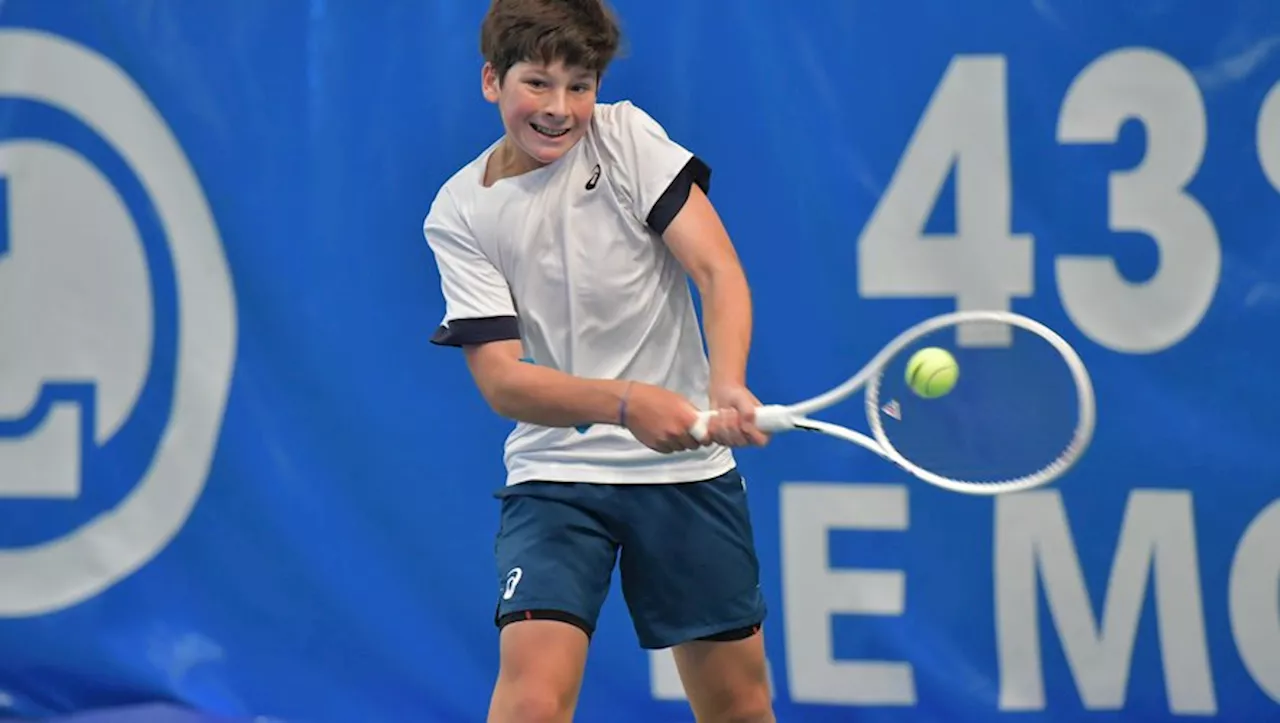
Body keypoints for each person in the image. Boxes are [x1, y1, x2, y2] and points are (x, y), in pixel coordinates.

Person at [423, 1, 776, 721]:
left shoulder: (626, 140)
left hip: (684, 474)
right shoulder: (459, 212)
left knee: (738, 704)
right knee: (531, 704)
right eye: (537, 84)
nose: (559, 109)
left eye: (579, 86)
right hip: (556, 478)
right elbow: (502, 380)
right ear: (492, 81)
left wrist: (726, 380)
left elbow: (718, 272)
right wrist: (624, 402)